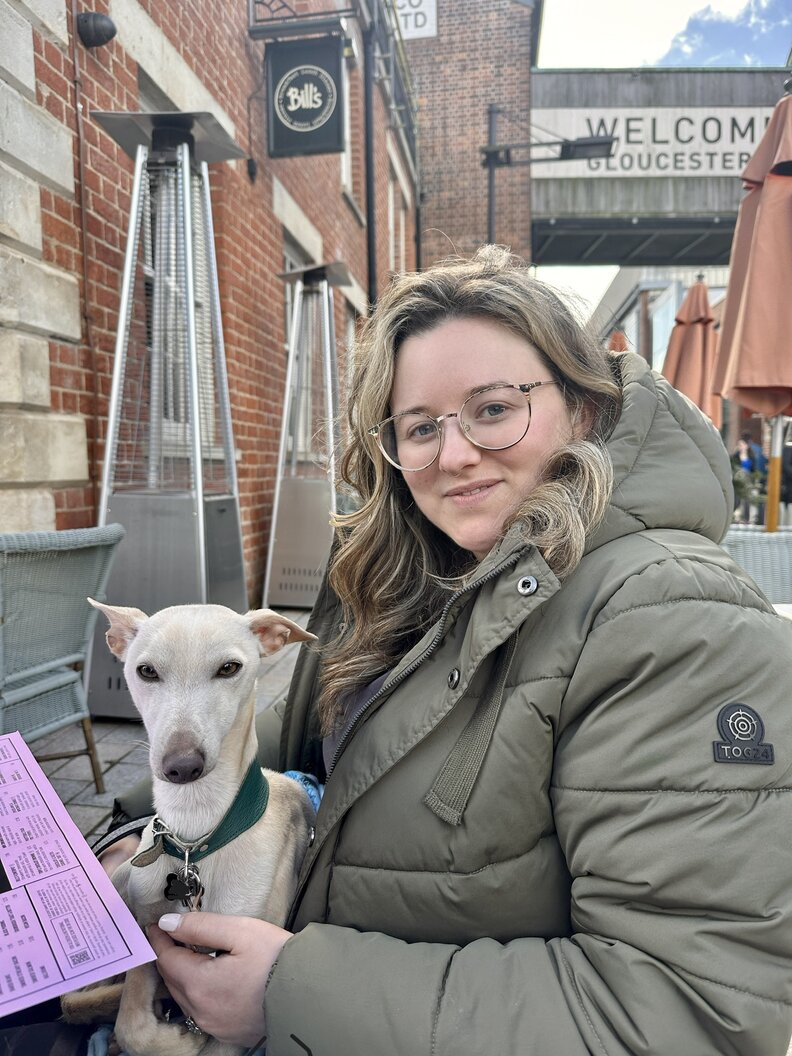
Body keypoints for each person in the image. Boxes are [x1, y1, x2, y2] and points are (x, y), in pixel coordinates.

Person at [95, 247, 792, 1055]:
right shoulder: (405, 573)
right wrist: (144, 831)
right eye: (421, 427)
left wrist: (292, 994)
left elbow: (693, 1013)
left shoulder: (677, 621)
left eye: (493, 408)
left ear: (583, 407)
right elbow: (302, 733)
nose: (454, 455)